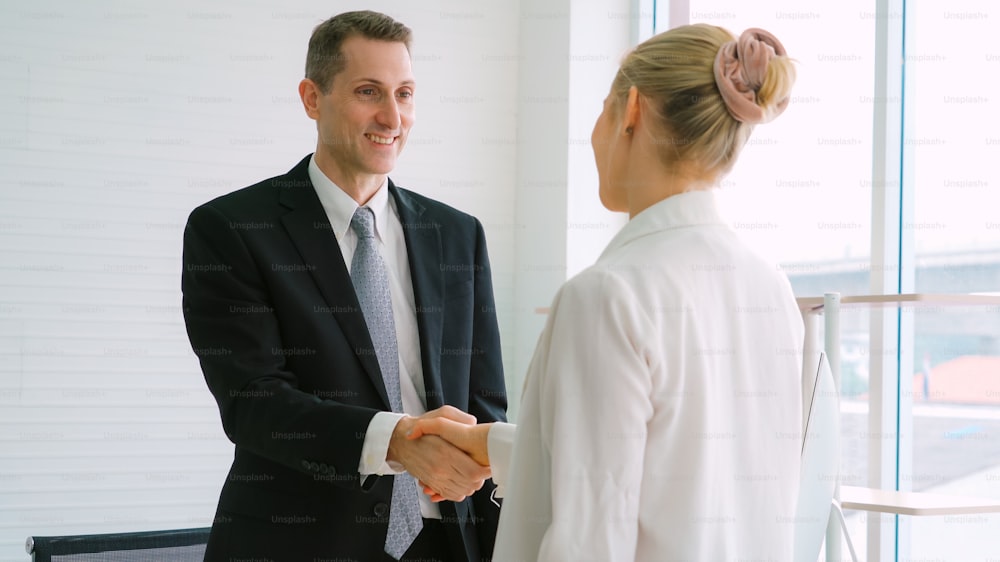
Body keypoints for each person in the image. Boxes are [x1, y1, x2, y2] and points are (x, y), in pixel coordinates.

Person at [408, 24, 804, 560]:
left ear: (632, 109)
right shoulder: (770, 287)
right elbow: (681, 474)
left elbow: (590, 540)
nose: (594, 132)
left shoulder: (606, 296)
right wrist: (494, 444)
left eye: (602, 107)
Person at [181, 10, 507, 562]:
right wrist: (396, 441)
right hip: (300, 541)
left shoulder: (457, 235)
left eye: (404, 93)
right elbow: (255, 402)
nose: (392, 116)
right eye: (367, 91)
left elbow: (483, 400)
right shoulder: (232, 228)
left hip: (447, 540)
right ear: (312, 98)